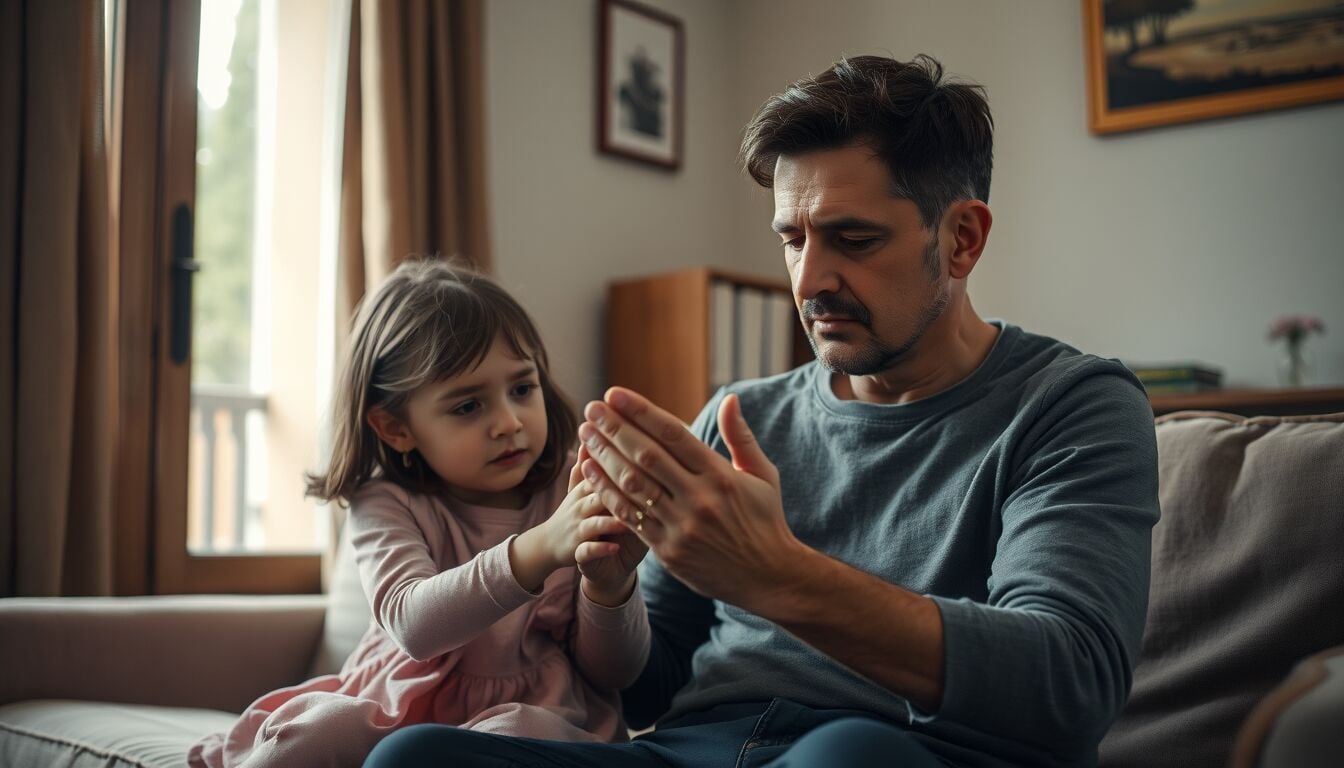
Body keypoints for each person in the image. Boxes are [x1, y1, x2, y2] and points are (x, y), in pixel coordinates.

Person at [364, 54, 1160, 768]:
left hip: (892, 751)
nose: (809, 279)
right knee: (413, 758)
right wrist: (610, 590)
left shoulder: (1072, 406)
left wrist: (778, 577)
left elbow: (1071, 681)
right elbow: (648, 692)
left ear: (960, 239)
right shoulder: (741, 416)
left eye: (851, 238)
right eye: (792, 238)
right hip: (694, 751)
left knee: (844, 756)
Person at [190, 258, 650, 768]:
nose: (508, 421)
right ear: (395, 428)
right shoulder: (384, 501)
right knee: (316, 731)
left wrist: (609, 588)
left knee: (525, 730)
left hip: (538, 709)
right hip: (395, 705)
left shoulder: (573, 487)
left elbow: (616, 674)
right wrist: (540, 548)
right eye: (467, 406)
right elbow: (415, 626)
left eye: (522, 388)